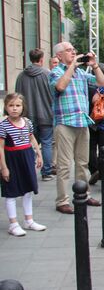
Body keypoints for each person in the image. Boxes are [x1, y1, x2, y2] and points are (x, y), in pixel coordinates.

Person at [49, 42, 104, 214]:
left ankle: (84, 194)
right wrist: (71, 67)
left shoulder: (81, 73)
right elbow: (60, 86)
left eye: (74, 50)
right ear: (59, 56)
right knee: (64, 165)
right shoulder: (55, 72)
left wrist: (94, 65)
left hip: (82, 122)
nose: (73, 52)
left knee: (83, 163)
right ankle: (62, 200)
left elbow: (102, 83)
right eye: (69, 50)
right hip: (65, 123)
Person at [0, 93, 47, 236]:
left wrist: (39, 154)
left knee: (27, 190)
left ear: (23, 107)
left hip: (26, 158)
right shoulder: (3, 125)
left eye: (17, 105)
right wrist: (4, 167)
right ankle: (13, 224)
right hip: (12, 159)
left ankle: (29, 220)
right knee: (12, 192)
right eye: (11, 105)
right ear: (6, 107)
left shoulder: (27, 122)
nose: (14, 109)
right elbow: (0, 147)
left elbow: (32, 138)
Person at [15, 48, 55, 181]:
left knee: (30, 143)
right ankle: (46, 172)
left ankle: (28, 170)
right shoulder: (47, 74)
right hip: (46, 114)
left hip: (28, 115)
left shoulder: (21, 76)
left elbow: (17, 96)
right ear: (42, 59)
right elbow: (53, 94)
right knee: (47, 142)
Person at [87, 63, 104, 185]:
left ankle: (94, 170)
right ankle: (102, 170)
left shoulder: (87, 85)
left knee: (90, 147)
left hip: (90, 119)